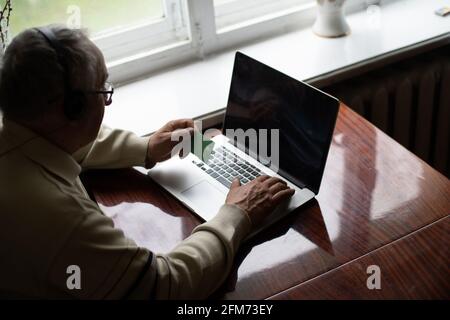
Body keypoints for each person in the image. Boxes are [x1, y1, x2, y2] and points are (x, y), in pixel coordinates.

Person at [0, 25, 295, 299]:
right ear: (72, 109)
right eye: (103, 89)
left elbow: (64, 144)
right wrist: (236, 214)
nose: (108, 101)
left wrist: (146, 149)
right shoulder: (63, 219)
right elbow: (165, 285)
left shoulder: (17, 139)